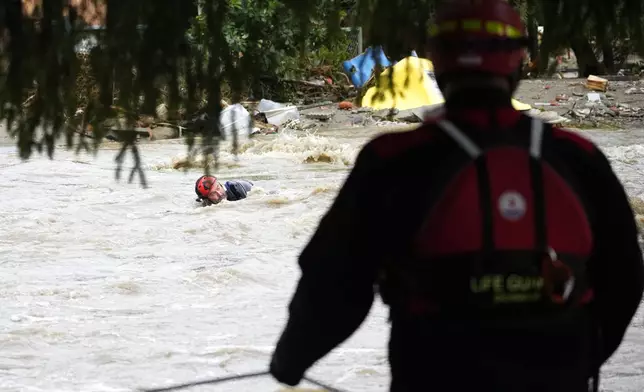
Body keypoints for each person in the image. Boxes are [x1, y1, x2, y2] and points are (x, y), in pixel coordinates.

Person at [268, 1, 644, 391]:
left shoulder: (393, 160)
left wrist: (289, 361)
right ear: (518, 62)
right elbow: (626, 279)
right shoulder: (578, 156)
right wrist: (581, 361)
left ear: (438, 61)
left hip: (435, 374)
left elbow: (334, 287)